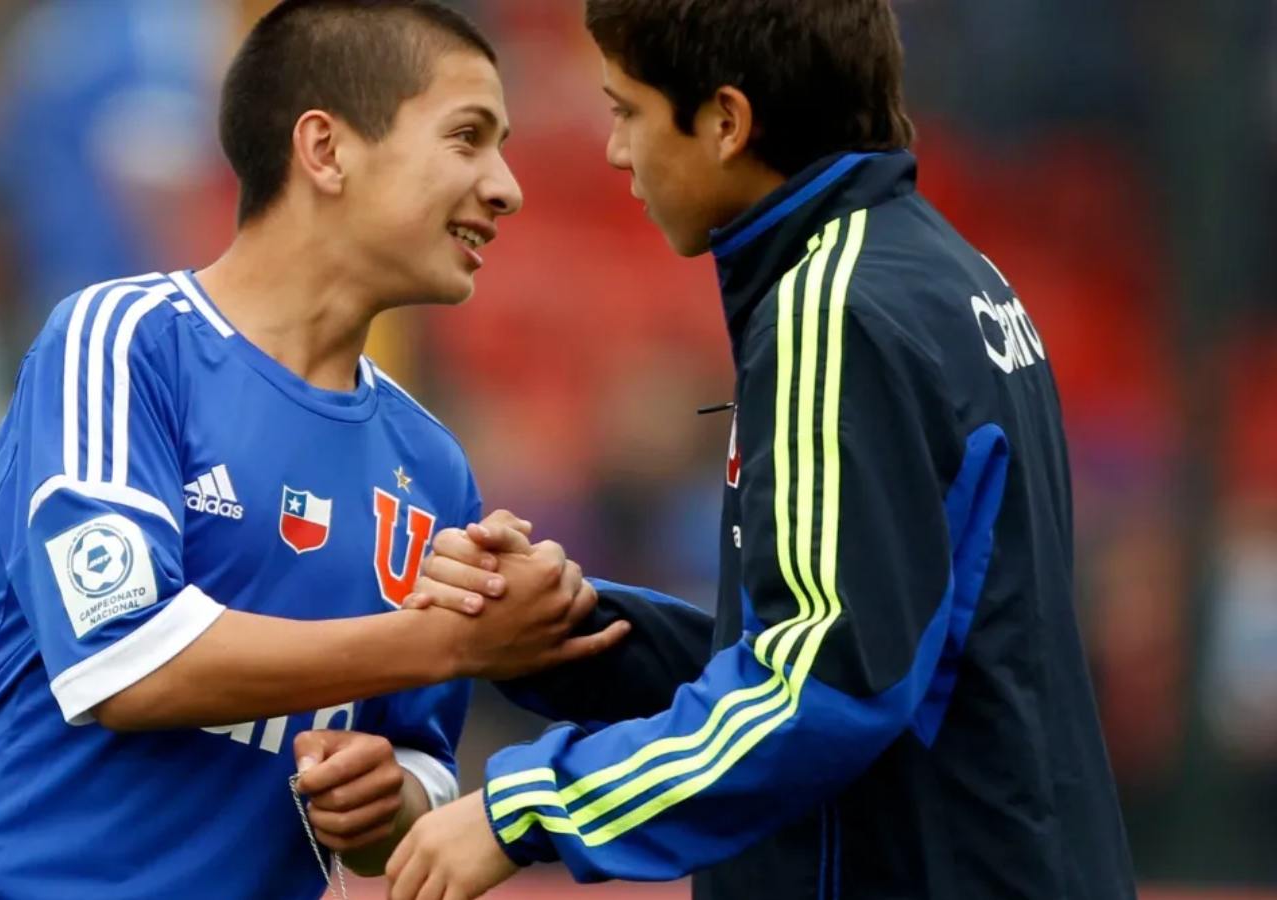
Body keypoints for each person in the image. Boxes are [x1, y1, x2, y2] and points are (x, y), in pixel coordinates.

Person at [387, 1, 1137, 897]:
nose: (616, 151)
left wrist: (531, 806)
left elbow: (821, 687)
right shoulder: (949, 275)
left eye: (627, 111)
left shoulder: (834, 312)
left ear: (726, 123)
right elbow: (872, 646)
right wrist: (564, 629)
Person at [0, 2, 627, 898]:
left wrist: (383, 797)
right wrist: (446, 643)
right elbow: (127, 661)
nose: (507, 186)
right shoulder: (124, 339)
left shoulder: (431, 464)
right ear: (325, 150)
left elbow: (415, 781)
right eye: (468, 137)